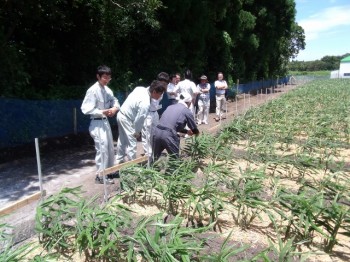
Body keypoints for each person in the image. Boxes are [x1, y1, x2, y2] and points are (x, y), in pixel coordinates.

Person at [81, 65, 120, 184]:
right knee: (102, 149)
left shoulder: (107, 90)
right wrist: (101, 111)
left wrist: (114, 109)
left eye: (109, 78)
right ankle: (100, 175)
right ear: (98, 76)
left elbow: (115, 101)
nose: (107, 80)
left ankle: (109, 171)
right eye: (104, 77)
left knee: (109, 148)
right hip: (96, 123)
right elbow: (85, 109)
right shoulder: (93, 90)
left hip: (105, 122)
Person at [115, 80, 167, 164]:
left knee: (122, 139)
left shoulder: (140, 89)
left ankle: (119, 161)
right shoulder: (145, 103)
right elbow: (140, 119)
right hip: (127, 118)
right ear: (154, 92)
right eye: (160, 94)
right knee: (132, 142)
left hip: (121, 114)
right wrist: (137, 132)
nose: (160, 96)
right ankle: (132, 165)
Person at [152, 93, 200, 161]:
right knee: (175, 159)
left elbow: (172, 125)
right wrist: (198, 135)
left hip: (157, 132)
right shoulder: (186, 111)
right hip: (168, 135)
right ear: (189, 102)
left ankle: (150, 170)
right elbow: (194, 129)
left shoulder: (170, 107)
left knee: (155, 157)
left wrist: (186, 131)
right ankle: (173, 170)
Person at [141, 72, 170, 157]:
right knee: (146, 133)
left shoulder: (163, 92)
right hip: (147, 113)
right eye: (163, 83)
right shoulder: (149, 90)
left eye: (166, 84)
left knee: (155, 133)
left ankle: (154, 151)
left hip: (155, 113)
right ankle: (148, 154)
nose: (165, 85)